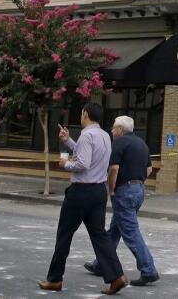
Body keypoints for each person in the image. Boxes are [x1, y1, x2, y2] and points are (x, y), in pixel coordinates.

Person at [37, 102, 127, 294]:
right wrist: (69, 141)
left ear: (85, 114)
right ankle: (116, 276)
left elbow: (83, 163)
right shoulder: (104, 135)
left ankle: (54, 279)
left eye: (81, 113)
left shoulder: (87, 135)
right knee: (100, 235)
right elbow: (88, 154)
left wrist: (65, 164)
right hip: (98, 191)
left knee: (64, 234)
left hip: (81, 191)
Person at [86, 115, 159, 286]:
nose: (111, 131)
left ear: (120, 129)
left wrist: (111, 190)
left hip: (124, 191)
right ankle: (101, 264)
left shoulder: (119, 142)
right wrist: (137, 182)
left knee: (130, 231)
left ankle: (148, 270)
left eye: (113, 127)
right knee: (114, 230)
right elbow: (149, 169)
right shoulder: (142, 144)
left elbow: (113, 169)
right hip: (139, 189)